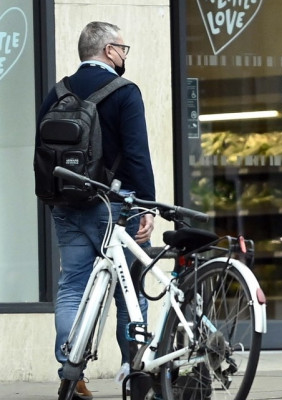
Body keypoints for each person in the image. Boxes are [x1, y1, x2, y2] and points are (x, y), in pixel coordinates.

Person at [36, 21, 156, 400]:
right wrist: (148, 205)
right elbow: (137, 154)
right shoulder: (124, 92)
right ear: (108, 50)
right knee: (128, 291)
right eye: (123, 48)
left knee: (72, 286)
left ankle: (71, 373)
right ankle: (134, 370)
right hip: (115, 206)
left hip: (65, 202)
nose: (124, 55)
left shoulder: (57, 92)